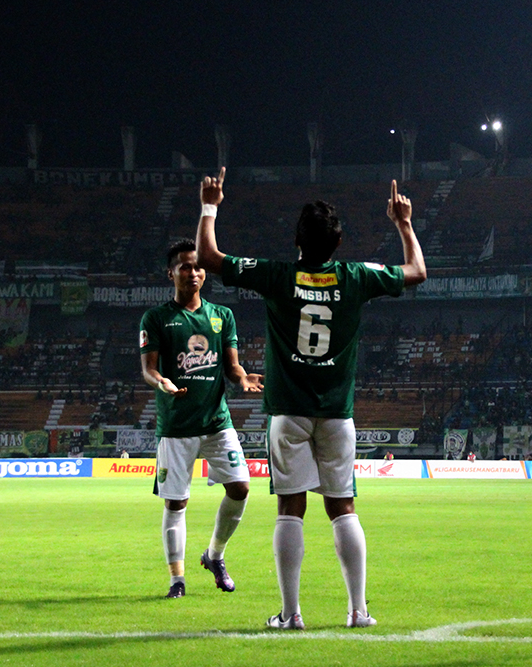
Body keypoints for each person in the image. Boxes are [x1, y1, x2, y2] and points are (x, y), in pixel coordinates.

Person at [196, 167, 426, 629]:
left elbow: (209, 256)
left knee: (290, 508)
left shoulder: (278, 276)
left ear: (296, 242)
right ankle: (358, 611)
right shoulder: (356, 276)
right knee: (343, 507)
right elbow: (417, 271)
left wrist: (210, 205)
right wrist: (403, 223)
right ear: (338, 244)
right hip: (337, 415)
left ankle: (291, 613)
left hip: (288, 414)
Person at [140, 238, 263, 600]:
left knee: (240, 488)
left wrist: (240, 377)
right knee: (176, 503)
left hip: (215, 421)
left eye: (197, 266)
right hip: (176, 425)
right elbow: (148, 368)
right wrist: (160, 380)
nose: (192, 272)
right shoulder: (157, 318)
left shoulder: (222, 316)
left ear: (204, 272)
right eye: (184, 266)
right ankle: (177, 579)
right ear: (171, 273)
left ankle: (214, 555)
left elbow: (232, 363)